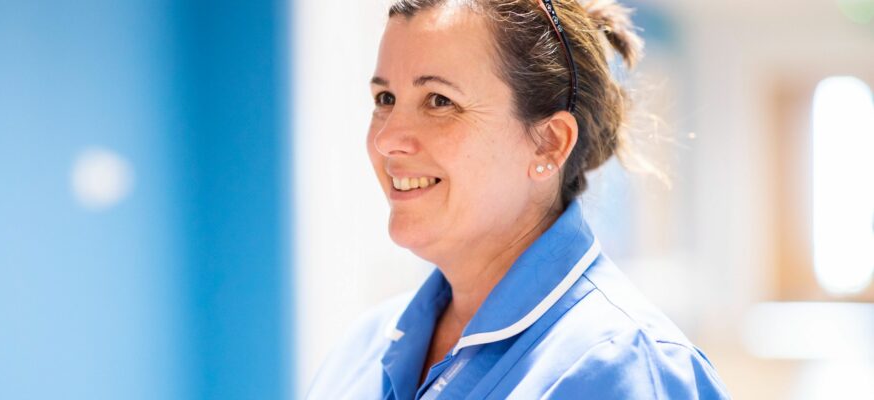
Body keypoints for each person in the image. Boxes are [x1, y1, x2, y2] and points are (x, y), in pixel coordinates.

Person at [306, 0, 731, 398]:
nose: (387, 139)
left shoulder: (628, 366)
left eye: (439, 101)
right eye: (385, 99)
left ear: (549, 143)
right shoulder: (361, 349)